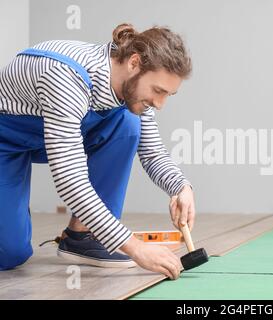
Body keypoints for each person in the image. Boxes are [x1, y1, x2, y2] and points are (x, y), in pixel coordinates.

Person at [0, 23, 196, 280]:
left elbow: (151, 152)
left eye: (168, 94)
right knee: (10, 253)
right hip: (6, 140)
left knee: (128, 122)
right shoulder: (66, 77)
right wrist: (134, 247)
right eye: (158, 91)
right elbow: (70, 180)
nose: (159, 104)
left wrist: (181, 188)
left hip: (50, 134)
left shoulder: (132, 90)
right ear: (134, 63)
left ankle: (82, 235)